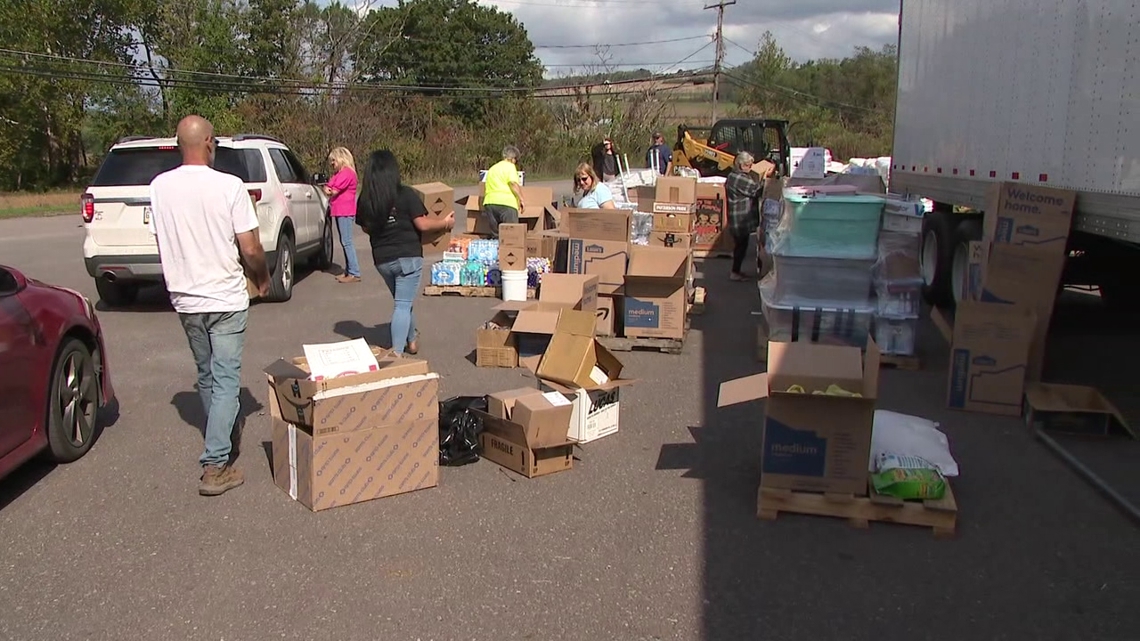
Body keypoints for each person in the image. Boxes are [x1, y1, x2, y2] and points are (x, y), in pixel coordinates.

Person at [148, 115, 270, 496]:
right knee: (227, 379)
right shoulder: (229, 186)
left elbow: (162, 239)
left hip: (185, 297)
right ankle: (216, 464)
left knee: (207, 375)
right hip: (226, 296)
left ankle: (223, 430)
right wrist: (263, 278)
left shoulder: (159, 187)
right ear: (210, 143)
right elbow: (250, 247)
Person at [356, 149, 455, 355]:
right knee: (402, 304)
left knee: (403, 301)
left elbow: (365, 227)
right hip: (408, 257)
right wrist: (445, 224)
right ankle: (397, 354)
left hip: (382, 260)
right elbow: (423, 224)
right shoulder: (405, 194)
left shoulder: (365, 200)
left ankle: (411, 340)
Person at [725, 151, 766, 282]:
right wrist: (766, 178)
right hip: (740, 217)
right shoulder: (739, 178)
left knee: (741, 244)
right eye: (748, 165)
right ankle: (735, 272)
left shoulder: (735, 176)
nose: (750, 167)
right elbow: (756, 190)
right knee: (741, 246)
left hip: (738, 216)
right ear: (741, 165)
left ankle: (736, 271)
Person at [324, 146, 360, 283]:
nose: (332, 164)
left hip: (345, 211)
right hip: (339, 211)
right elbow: (329, 186)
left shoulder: (347, 173)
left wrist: (327, 189)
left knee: (347, 242)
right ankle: (349, 270)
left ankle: (354, 272)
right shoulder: (339, 174)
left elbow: (332, 190)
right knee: (345, 241)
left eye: (333, 161)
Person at [481, 145, 524, 238]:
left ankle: (497, 251)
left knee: (496, 235)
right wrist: (521, 199)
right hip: (506, 204)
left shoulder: (493, 168)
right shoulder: (510, 167)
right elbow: (513, 183)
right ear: (513, 159)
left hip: (490, 203)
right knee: (511, 236)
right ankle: (510, 253)